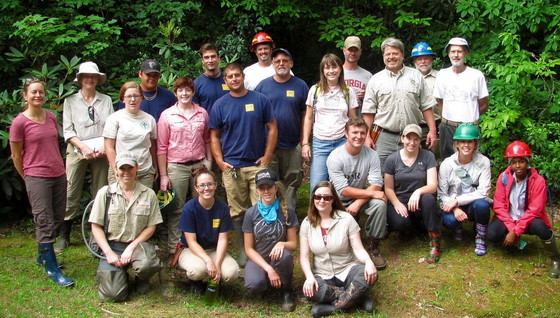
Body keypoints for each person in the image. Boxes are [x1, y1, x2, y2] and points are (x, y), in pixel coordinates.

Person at [209, 63, 277, 267]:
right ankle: (243, 250)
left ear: (243, 76)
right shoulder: (220, 105)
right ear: (225, 80)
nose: (234, 79)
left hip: (257, 165)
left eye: (237, 75)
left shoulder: (260, 99)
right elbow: (214, 135)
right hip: (232, 168)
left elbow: (272, 128)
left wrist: (266, 157)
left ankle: (263, 250)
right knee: (237, 212)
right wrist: (220, 162)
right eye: (230, 76)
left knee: (263, 208)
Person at [9, 79, 74, 287]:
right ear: (25, 96)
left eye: (41, 92)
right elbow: (16, 155)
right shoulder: (19, 123)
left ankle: (42, 256)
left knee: (57, 216)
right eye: (33, 92)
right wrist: (27, 177)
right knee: (44, 219)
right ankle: (52, 268)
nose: (38, 95)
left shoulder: (51, 117)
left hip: (57, 173)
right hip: (36, 176)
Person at [56, 61, 113, 252]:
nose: (90, 79)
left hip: (101, 151)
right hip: (77, 149)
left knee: (100, 191)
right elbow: (68, 130)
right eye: (86, 76)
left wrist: (105, 147)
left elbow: (111, 126)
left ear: (98, 79)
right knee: (71, 189)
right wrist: (83, 147)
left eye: (93, 76)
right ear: (80, 79)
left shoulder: (105, 100)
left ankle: (96, 233)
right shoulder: (70, 101)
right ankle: (64, 235)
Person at [90, 153, 163, 302]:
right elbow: (95, 227)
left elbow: (151, 226)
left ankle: (141, 277)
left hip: (137, 246)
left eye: (130, 167)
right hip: (112, 246)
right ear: (115, 169)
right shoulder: (105, 193)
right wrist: (109, 253)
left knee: (148, 264)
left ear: (137, 168)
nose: (126, 172)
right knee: (113, 295)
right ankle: (118, 275)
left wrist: (131, 248)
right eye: (122, 168)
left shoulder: (148, 194)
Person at [300, 181, 377, 317]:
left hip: (347, 269)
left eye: (327, 197)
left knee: (368, 275)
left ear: (333, 199)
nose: (322, 200)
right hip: (323, 274)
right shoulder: (307, 223)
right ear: (313, 199)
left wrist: (369, 262)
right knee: (311, 289)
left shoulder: (346, 219)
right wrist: (309, 277)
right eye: (318, 197)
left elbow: (358, 249)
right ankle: (357, 297)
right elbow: (304, 257)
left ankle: (334, 307)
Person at [362, 37, 437, 169]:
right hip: (384, 137)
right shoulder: (375, 80)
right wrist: (367, 136)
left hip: (412, 136)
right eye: (388, 54)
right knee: (383, 176)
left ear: (402, 55)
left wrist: (432, 130)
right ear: (383, 57)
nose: (391, 57)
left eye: (395, 53)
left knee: (413, 175)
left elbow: (426, 106)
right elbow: (369, 112)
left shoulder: (416, 76)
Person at [157, 77, 212, 255]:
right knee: (177, 208)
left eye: (188, 90)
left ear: (193, 92)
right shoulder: (167, 115)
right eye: (180, 90)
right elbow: (161, 147)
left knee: (202, 204)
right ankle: (175, 248)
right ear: (175, 93)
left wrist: (208, 162)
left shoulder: (202, 113)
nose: (184, 93)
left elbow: (207, 139)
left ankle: (202, 243)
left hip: (199, 166)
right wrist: (164, 175)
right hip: (176, 166)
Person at [488, 141, 559, 278]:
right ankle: (511, 245)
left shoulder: (538, 181)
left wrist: (516, 231)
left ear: (528, 162)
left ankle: (556, 259)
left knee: (541, 227)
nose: (518, 165)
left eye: (521, 161)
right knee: (492, 234)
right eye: (514, 162)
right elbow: (499, 205)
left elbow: (535, 210)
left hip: (528, 220)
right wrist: (511, 227)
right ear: (510, 163)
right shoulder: (504, 177)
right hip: (509, 218)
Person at [326, 118, 388, 269]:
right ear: (346, 134)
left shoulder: (372, 155)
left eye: (362, 133)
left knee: (379, 204)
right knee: (337, 245)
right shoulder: (335, 157)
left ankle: (374, 247)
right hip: (338, 201)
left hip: (360, 198)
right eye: (354, 132)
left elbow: (377, 183)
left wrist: (358, 203)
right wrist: (371, 194)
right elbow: (343, 190)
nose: (358, 136)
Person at [255, 48, 309, 208]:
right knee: (270, 179)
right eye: (277, 61)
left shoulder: (301, 85)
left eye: (285, 60)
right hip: (268, 145)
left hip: (292, 143)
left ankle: (289, 216)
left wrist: (303, 139)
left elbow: (306, 114)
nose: (281, 63)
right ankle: (272, 216)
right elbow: (257, 118)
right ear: (272, 64)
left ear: (291, 63)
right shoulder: (262, 86)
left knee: (292, 181)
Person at [242, 168, 298, 312]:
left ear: (276, 187)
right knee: (254, 284)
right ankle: (265, 282)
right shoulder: (250, 213)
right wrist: (268, 269)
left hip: (278, 259)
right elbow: (248, 249)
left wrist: (282, 243)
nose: (266, 191)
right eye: (262, 188)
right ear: (258, 190)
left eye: (269, 187)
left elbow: (293, 244)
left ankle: (286, 290)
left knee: (285, 257)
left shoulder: (287, 211)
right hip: (259, 259)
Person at [383, 124, 440, 263]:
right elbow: (388, 188)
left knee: (428, 199)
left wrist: (418, 191)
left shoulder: (428, 156)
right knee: (401, 223)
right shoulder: (392, 159)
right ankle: (409, 228)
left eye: (416, 139)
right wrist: (396, 203)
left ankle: (435, 243)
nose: (412, 143)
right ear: (402, 138)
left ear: (420, 140)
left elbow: (433, 185)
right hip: (400, 201)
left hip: (420, 201)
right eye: (409, 138)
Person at [177, 166, 240, 290]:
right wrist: (208, 261)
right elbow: (191, 242)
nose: (206, 188)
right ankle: (196, 283)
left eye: (210, 184)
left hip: (214, 250)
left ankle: (216, 281)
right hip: (191, 250)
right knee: (197, 270)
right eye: (202, 185)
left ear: (216, 186)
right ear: (196, 188)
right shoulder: (189, 208)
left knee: (232, 273)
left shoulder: (222, 207)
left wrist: (217, 264)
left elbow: (222, 240)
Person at [302, 53, 358, 190]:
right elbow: (309, 118)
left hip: (342, 142)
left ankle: (340, 211)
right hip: (320, 143)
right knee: (317, 185)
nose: (331, 71)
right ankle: (314, 212)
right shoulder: (315, 90)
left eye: (334, 67)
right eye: (327, 68)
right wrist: (305, 143)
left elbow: (353, 120)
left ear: (340, 69)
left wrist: (354, 142)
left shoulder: (348, 91)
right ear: (322, 71)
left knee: (342, 185)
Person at [438, 123, 491, 256]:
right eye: (462, 141)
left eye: (470, 142)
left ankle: (480, 237)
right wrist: (455, 208)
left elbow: (483, 191)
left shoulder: (483, 162)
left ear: (475, 144)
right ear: (457, 144)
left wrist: (457, 201)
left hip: (473, 203)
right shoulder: (447, 164)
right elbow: (441, 194)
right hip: (452, 203)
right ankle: (457, 226)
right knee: (449, 221)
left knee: (483, 205)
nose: (466, 145)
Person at [434, 37, 489, 160]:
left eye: (459, 51)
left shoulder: (476, 75)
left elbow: (484, 104)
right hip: (447, 127)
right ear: (448, 54)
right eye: (453, 52)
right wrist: (446, 120)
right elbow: (440, 101)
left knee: (472, 161)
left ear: (466, 53)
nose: (456, 55)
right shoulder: (442, 75)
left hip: (470, 127)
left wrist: (470, 118)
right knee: (447, 162)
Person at [104, 82, 157, 187]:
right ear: (123, 99)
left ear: (141, 98)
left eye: (136, 96)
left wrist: (155, 167)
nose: (133, 100)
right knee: (120, 202)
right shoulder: (114, 119)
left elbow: (152, 145)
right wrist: (116, 169)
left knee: (144, 202)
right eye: (129, 96)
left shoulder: (149, 119)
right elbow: (109, 147)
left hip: (144, 171)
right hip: (122, 171)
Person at [410, 42, 440, 153]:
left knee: (434, 158)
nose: (423, 62)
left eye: (426, 58)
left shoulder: (440, 77)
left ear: (432, 59)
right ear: (414, 61)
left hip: (435, 125)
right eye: (419, 59)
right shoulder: (407, 78)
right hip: (413, 125)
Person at [192, 43, 229, 114]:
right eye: (206, 57)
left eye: (213, 56)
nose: (210, 60)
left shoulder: (230, 80)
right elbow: (195, 113)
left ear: (218, 58)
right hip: (208, 124)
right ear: (202, 61)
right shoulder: (196, 84)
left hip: (230, 124)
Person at [342, 36, 372, 113]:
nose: (353, 53)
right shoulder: (336, 73)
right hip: (339, 121)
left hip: (360, 120)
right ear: (344, 50)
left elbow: (374, 102)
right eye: (350, 50)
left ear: (360, 51)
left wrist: (367, 96)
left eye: (356, 50)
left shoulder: (368, 76)